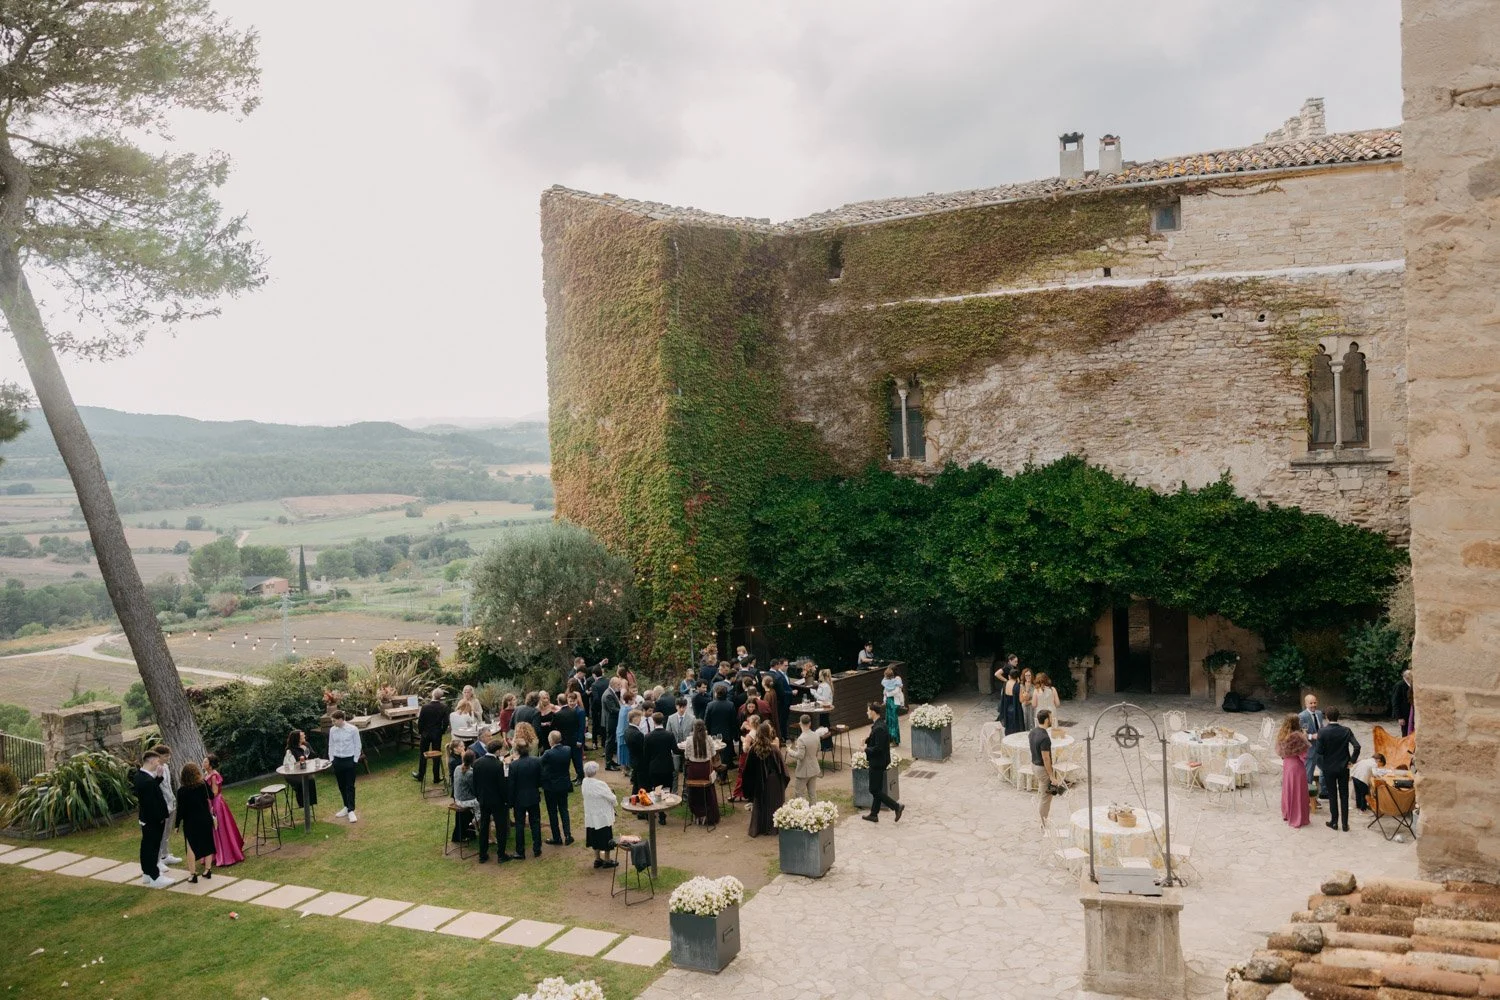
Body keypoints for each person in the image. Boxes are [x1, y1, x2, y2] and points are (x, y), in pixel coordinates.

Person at [131, 750, 174, 887]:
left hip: (147, 819)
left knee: (147, 846)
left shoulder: (141, 776)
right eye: (156, 761)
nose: (158, 763)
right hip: (152, 820)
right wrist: (161, 817)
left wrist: (159, 778)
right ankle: (155, 876)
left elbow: (150, 789)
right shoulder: (146, 780)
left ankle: (147, 874)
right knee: (152, 848)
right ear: (150, 761)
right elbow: (152, 802)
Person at [1315, 708, 1361, 833]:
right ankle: (1345, 824)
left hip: (1329, 767)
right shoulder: (1346, 730)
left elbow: (1319, 751)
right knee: (1344, 795)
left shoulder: (1322, 731)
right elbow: (1357, 746)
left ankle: (1334, 821)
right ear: (1338, 717)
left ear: (1327, 717)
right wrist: (1352, 761)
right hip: (1343, 767)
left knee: (1332, 794)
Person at [741, 721, 788, 836]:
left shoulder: (753, 749)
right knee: (774, 804)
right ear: (768, 733)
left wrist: (751, 784)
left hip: (759, 782)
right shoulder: (774, 749)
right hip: (774, 781)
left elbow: (747, 770)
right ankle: (773, 827)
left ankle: (760, 828)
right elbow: (782, 768)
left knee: (760, 804)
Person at [861, 701, 904, 823]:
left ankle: (896, 806)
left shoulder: (879, 727)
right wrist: (867, 739)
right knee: (877, 789)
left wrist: (865, 749)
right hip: (881, 761)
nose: (867, 712)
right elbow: (880, 740)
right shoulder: (879, 724)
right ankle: (874, 814)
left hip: (878, 762)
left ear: (873, 712)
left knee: (873, 790)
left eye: (868, 710)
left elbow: (878, 748)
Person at [174, 761, 217, 883]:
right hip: (204, 818)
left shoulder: (181, 791)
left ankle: (193, 874)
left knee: (190, 846)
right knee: (207, 843)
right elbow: (212, 796)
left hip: (190, 821)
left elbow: (180, 810)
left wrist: (177, 824)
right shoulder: (202, 784)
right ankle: (208, 870)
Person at [472, 739, 510, 863]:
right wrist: (506, 800)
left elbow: (475, 783)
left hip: (483, 799)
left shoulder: (477, 763)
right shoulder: (498, 765)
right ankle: (501, 854)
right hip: (497, 801)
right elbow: (502, 785)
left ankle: (482, 854)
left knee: (484, 826)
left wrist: (478, 796)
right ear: (497, 750)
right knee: (501, 827)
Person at [203, 754, 244, 867]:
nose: (203, 763)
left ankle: (225, 854)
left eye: (205, 762)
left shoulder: (214, 776)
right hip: (210, 802)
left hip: (216, 803)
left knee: (219, 827)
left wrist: (204, 797)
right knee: (213, 828)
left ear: (210, 765)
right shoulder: (207, 774)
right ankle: (215, 853)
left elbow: (215, 792)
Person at [680, 721, 723, 827]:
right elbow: (713, 753)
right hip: (705, 768)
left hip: (694, 769)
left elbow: (686, 755)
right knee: (708, 790)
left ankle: (697, 813)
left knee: (694, 790)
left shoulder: (689, 740)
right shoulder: (708, 739)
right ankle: (708, 813)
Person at [1275, 713, 1311, 829]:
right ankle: (1297, 817)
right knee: (1298, 792)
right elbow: (1304, 755)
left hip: (1287, 764)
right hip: (1296, 766)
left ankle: (1287, 813)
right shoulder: (1298, 736)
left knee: (1288, 789)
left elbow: (1280, 752)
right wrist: (1305, 737)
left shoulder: (1282, 735)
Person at [509, 740, 543, 859]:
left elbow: (511, 785)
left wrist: (511, 801)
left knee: (519, 824)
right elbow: (540, 779)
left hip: (519, 799)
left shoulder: (514, 765)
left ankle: (520, 851)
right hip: (533, 796)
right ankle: (537, 848)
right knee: (535, 822)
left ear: (517, 750)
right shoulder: (536, 761)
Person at [540, 731, 575, 846]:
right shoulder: (567, 750)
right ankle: (568, 835)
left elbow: (539, 763)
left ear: (551, 741)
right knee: (564, 810)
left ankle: (557, 837)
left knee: (552, 812)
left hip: (551, 786)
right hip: (563, 784)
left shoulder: (548, 753)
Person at [581, 761, 618, 868]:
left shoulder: (584, 782)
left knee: (594, 836)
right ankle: (607, 859)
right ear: (595, 771)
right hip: (602, 816)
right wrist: (614, 802)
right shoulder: (600, 784)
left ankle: (597, 858)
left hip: (591, 815)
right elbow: (611, 797)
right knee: (606, 837)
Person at [327, 709, 362, 823]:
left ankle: (351, 810)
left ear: (341, 719)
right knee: (341, 786)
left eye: (334, 721)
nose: (333, 723)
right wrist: (332, 759)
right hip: (337, 760)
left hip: (349, 760)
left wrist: (355, 760)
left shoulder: (353, 729)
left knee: (350, 786)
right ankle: (346, 807)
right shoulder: (332, 730)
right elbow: (331, 745)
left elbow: (358, 745)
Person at [152, 744, 182, 868]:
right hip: (161, 805)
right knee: (160, 832)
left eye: (168, 755)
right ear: (158, 756)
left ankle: (165, 855)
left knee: (167, 832)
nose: (168, 758)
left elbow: (168, 786)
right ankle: (157, 860)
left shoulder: (166, 767)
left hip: (171, 803)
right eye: (165, 756)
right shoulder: (154, 770)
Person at [412, 687, 450, 783]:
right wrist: (442, 731)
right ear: (441, 697)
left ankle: (420, 775)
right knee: (436, 755)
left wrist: (421, 732)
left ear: (432, 695)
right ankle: (436, 777)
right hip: (437, 734)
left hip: (425, 734)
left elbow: (420, 722)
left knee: (422, 754)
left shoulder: (425, 707)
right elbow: (446, 722)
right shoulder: (444, 707)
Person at [1030, 708, 1059, 830]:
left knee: (1046, 794)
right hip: (1042, 768)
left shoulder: (1033, 732)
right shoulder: (1045, 738)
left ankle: (1043, 819)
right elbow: (1046, 758)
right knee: (1046, 797)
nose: (1052, 719)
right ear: (1047, 720)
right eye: (1051, 717)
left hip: (1034, 765)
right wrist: (1051, 776)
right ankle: (1043, 823)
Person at [787, 714, 826, 801]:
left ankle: (802, 813)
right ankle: (814, 813)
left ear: (800, 723)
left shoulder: (801, 739)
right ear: (810, 723)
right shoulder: (816, 735)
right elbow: (818, 748)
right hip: (814, 768)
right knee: (812, 794)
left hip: (803, 770)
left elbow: (800, 756)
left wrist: (790, 751)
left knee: (799, 794)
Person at [1299, 694, 1327, 812]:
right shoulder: (1301, 716)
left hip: (1320, 748)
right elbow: (1299, 734)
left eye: (1315, 702)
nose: (1313, 705)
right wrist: (1311, 736)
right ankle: (1307, 799)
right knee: (1308, 775)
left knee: (1325, 769)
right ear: (1306, 704)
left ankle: (1324, 793)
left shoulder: (1320, 714)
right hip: (1309, 750)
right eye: (1311, 703)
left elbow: (1321, 727)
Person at [704, 684, 739, 771]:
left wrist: (707, 732)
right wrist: (735, 734)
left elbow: (706, 720)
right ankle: (723, 775)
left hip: (714, 733)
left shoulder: (710, 705)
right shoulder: (730, 705)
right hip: (727, 733)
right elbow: (733, 721)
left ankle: (717, 772)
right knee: (726, 755)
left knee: (715, 754)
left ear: (716, 693)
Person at [283, 730, 319, 812]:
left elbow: (314, 756)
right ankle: (303, 804)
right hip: (293, 774)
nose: (304, 736)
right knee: (302, 782)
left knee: (310, 779)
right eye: (302, 736)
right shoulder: (290, 750)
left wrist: (306, 749)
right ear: (298, 739)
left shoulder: (306, 744)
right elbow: (290, 765)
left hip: (304, 771)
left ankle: (309, 803)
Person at [641, 712, 677, 792]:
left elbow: (646, 755)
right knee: (667, 790)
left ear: (653, 721)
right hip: (667, 767)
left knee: (656, 791)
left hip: (654, 767)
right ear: (663, 721)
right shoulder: (670, 735)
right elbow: (675, 750)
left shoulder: (648, 736)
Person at [665, 696, 695, 793]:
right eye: (680, 707)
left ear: (686, 707)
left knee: (687, 772)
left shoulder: (692, 718)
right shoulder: (671, 718)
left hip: (687, 749)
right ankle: (674, 792)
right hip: (675, 749)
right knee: (675, 771)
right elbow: (668, 733)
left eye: (684, 707)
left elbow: (694, 734)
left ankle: (686, 793)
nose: (682, 709)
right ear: (676, 706)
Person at [451, 750, 479, 844]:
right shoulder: (470, 774)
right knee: (483, 803)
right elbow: (475, 790)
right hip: (464, 801)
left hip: (457, 798)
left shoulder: (457, 768)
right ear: (473, 760)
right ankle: (478, 824)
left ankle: (472, 824)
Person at [623, 709, 647, 793]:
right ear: (635, 719)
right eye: (640, 718)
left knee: (636, 784)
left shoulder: (627, 731)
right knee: (642, 785)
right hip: (641, 762)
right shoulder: (638, 734)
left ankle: (634, 798)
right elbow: (643, 749)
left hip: (633, 760)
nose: (640, 720)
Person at [601, 678, 623, 770]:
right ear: (613, 684)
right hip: (610, 721)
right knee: (609, 741)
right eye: (619, 685)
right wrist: (624, 710)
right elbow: (613, 709)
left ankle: (610, 761)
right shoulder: (608, 695)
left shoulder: (610, 692)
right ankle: (608, 764)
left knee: (611, 741)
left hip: (612, 720)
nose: (620, 687)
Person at [880, 667, 903, 746]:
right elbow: (885, 688)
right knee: (888, 721)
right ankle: (889, 739)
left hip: (894, 702)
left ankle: (895, 740)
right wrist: (885, 699)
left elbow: (897, 691)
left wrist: (887, 694)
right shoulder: (888, 681)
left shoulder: (897, 679)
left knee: (893, 721)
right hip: (889, 702)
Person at [997, 667, 1024, 734]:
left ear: (1009, 676)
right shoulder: (1018, 686)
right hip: (1016, 710)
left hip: (1006, 709)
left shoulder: (1005, 684)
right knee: (1016, 730)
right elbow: (1021, 700)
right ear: (1017, 677)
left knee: (1008, 729)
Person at [814, 668, 835, 751]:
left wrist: (815, 694)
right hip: (822, 708)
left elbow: (824, 699)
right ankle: (825, 744)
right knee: (823, 724)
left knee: (825, 725)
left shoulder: (826, 686)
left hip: (825, 708)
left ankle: (827, 745)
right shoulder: (823, 684)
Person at [1392, 670, 1414, 738]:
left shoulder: (1411, 684)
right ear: (1405, 676)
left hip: (1410, 713)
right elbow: (1395, 702)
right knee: (1405, 733)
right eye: (1410, 675)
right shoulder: (1399, 685)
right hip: (1403, 714)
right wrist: (1400, 717)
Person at [760, 675, 782, 740]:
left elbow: (766, 707)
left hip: (769, 717)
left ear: (764, 683)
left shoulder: (768, 694)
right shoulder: (773, 691)